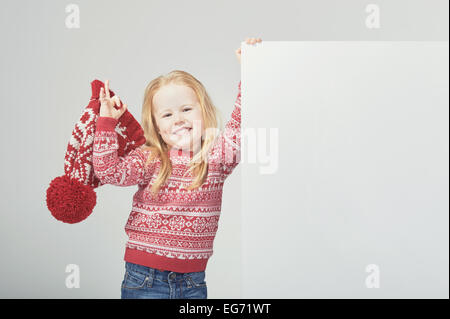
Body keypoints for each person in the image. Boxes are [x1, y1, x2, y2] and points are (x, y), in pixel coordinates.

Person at [93, 37, 262, 299]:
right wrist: (105, 123)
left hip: (194, 282)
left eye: (186, 109)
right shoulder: (149, 158)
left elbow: (242, 123)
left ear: (203, 112)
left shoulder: (216, 157)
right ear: (157, 125)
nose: (179, 119)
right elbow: (109, 172)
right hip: (144, 277)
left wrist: (252, 72)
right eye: (168, 114)